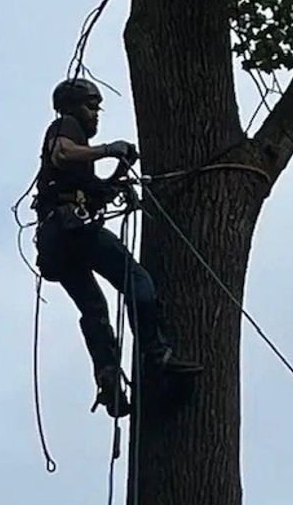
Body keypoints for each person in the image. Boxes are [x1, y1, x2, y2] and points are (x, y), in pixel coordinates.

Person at [34, 77, 201, 417]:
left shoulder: (76, 158)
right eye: (90, 107)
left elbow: (81, 182)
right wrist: (110, 149)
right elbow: (62, 153)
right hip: (74, 229)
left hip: (55, 241)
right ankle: (156, 354)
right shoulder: (66, 126)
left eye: (97, 109)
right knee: (137, 281)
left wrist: (112, 184)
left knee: (94, 310)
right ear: (72, 107)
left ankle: (108, 377)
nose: (95, 115)